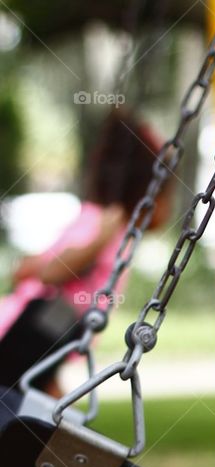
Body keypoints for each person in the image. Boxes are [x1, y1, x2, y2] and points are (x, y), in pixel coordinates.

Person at [0, 108, 173, 396]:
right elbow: (53, 271)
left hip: (51, 333)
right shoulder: (101, 221)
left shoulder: (115, 227)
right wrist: (95, 245)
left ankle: (54, 434)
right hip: (26, 327)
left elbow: (35, 266)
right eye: (164, 193)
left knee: (32, 400)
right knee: (24, 400)